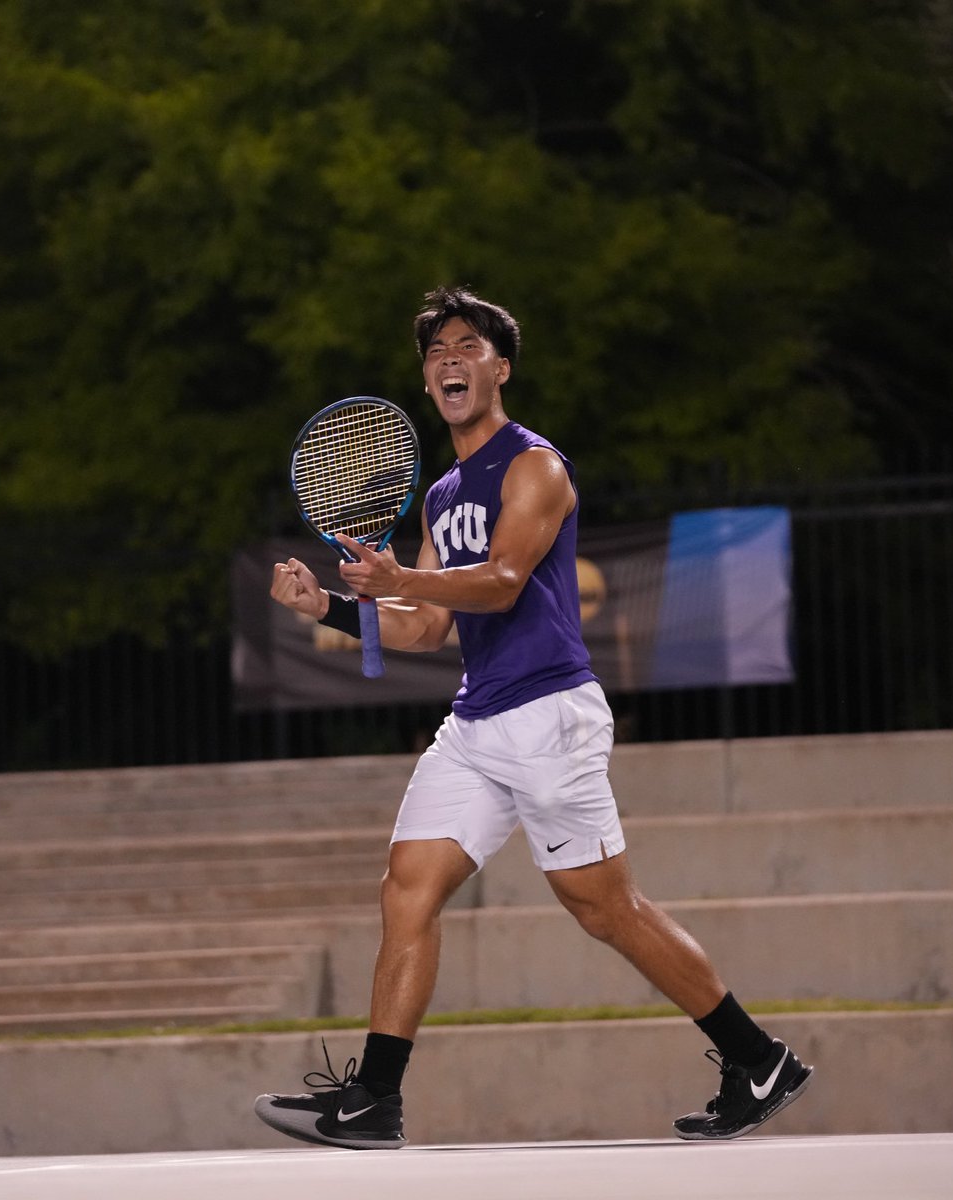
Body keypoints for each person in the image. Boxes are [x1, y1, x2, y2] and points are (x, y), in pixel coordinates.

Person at [255, 285, 812, 1149]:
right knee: (408, 887)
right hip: (477, 723)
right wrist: (326, 605)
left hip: (550, 714)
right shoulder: (441, 495)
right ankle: (374, 1100)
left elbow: (503, 582)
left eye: (467, 347)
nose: (449, 361)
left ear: (500, 369)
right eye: (436, 352)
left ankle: (759, 1059)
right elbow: (428, 626)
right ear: (427, 380)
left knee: (606, 909)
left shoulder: (535, 466)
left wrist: (400, 577)